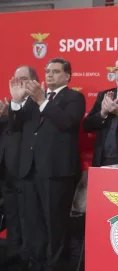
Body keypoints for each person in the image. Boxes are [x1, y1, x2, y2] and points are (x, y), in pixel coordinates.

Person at [9, 58, 86, 271]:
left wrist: (43, 100)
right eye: (47, 71)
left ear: (67, 76)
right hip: (30, 170)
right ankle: (37, 264)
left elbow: (66, 123)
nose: (49, 75)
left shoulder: (74, 97)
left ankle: (56, 266)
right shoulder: (33, 100)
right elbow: (15, 127)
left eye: (55, 71)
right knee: (34, 225)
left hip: (56, 172)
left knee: (55, 226)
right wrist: (16, 103)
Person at [0, 66, 37, 271]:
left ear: (33, 81)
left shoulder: (37, 103)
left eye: (24, 78)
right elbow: (9, 130)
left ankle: (28, 254)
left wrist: (15, 107)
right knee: (12, 213)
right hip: (6, 167)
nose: (19, 82)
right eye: (16, 78)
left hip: (27, 169)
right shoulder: (11, 103)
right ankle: (14, 252)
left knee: (27, 214)